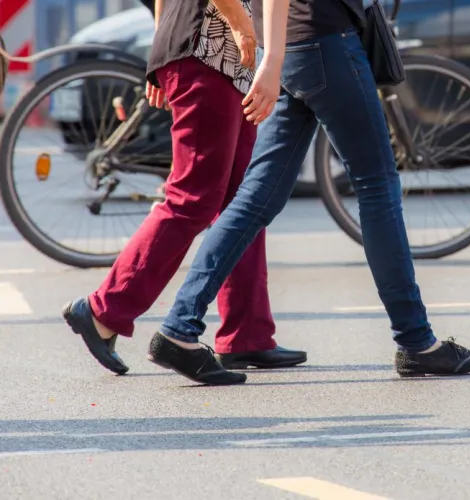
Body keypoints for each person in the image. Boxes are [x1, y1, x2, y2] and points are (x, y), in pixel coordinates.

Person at [140, 0, 470, 385]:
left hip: (291, 45)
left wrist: (273, 56)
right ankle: (416, 341)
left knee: (256, 197)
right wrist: (271, 61)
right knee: (376, 184)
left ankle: (179, 327)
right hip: (322, 41)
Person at [62, 0, 306, 381]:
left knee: (243, 199)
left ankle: (246, 333)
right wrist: (241, 25)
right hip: (207, 52)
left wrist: (161, 47)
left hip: (221, 59)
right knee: (192, 198)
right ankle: (102, 310)